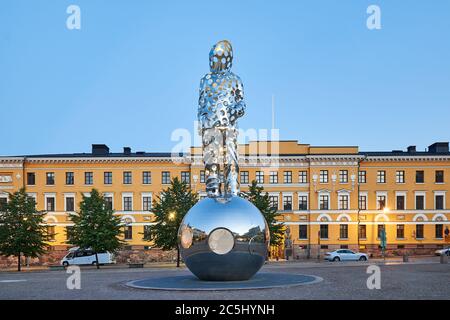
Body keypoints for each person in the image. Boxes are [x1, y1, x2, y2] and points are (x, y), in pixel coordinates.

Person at [198, 40, 246, 197]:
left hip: (229, 127)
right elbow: (201, 104)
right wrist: (202, 123)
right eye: (215, 58)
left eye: (221, 58)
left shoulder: (235, 80)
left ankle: (233, 189)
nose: (217, 62)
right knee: (211, 159)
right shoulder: (205, 80)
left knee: (230, 159)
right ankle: (212, 190)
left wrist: (233, 113)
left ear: (228, 59)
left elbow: (242, 104)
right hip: (210, 126)